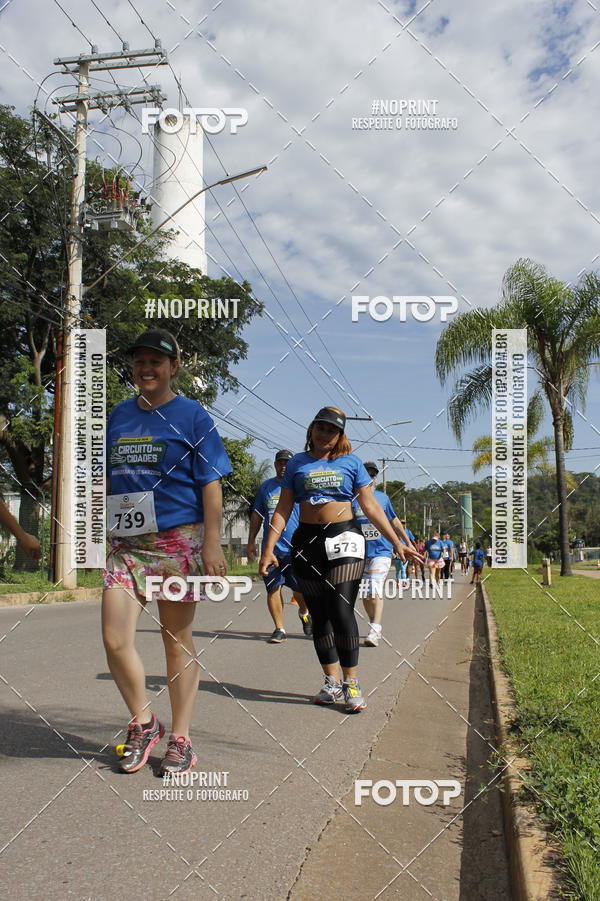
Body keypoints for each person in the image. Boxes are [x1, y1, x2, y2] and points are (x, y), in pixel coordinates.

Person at [102, 329, 231, 776]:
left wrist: (211, 543)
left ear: (174, 367)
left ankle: (181, 738)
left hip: (178, 540)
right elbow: (110, 477)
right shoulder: (118, 415)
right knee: (115, 639)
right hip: (127, 546)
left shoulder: (193, 416)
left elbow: (211, 481)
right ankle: (143, 722)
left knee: (176, 643)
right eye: (140, 361)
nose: (147, 368)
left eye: (156, 361)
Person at [259, 407, 422, 713]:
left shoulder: (351, 463)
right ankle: (331, 682)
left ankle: (352, 682)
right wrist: (268, 549)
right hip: (307, 541)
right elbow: (282, 510)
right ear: (312, 430)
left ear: (340, 436)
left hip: (345, 538)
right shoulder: (297, 463)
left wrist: (397, 542)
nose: (325, 434)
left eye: (331, 431)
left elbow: (372, 507)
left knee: (340, 608)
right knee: (320, 615)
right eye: (320, 428)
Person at [247, 449, 312, 642]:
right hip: (272, 550)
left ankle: (304, 610)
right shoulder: (266, 488)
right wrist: (251, 541)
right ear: (275, 465)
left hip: (297, 548)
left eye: (287, 463)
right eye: (280, 463)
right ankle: (279, 628)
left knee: (299, 590)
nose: (284, 467)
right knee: (273, 588)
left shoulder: (300, 487)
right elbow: (257, 515)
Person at [352, 463, 415, 648]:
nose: (370, 479)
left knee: (374, 586)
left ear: (376, 479)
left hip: (382, 551)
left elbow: (394, 521)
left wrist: (407, 542)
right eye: (367, 475)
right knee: (365, 593)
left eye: (373, 476)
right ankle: (374, 623)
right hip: (360, 553)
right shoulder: (352, 499)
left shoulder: (383, 498)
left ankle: (375, 628)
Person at [393, 519, 416, 587]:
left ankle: (404, 582)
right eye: (401, 523)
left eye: (404, 523)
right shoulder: (394, 531)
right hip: (396, 553)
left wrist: (415, 550)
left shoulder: (408, 531)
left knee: (403, 568)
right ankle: (398, 582)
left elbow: (412, 541)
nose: (403, 524)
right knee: (398, 570)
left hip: (405, 553)